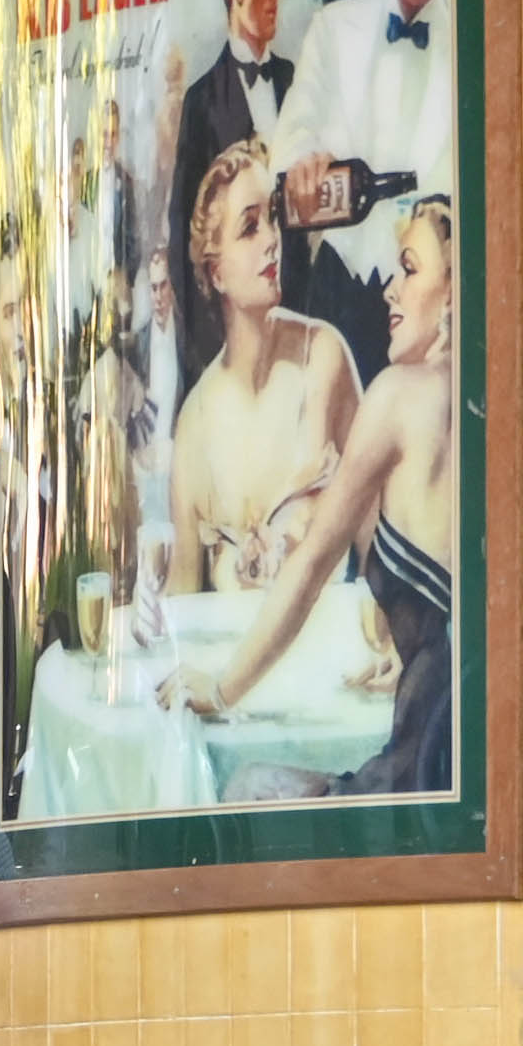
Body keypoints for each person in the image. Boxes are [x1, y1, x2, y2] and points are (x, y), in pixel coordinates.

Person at [184, 196, 461, 800]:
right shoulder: (469, 406)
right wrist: (411, 646)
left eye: (409, 270)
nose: (389, 290)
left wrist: (222, 688)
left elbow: (311, 564)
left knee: (246, 789)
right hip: (449, 756)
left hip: (423, 764)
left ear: (454, 294)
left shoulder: (398, 396)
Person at [276, 0, 456, 383]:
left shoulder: (471, 47)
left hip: (430, 313)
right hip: (340, 295)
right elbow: (291, 141)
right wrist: (304, 166)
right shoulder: (332, 29)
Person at [162, 139, 361, 628]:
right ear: (216, 273)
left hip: (329, 670)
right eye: (250, 227)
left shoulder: (324, 357)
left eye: (272, 218)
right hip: (230, 686)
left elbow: (380, 549)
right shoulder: (195, 424)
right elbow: (183, 602)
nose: (272, 239)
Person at [165, 0, 299, 378]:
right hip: (235, 350)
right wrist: (214, 355)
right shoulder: (201, 102)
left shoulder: (295, 84)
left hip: (299, 339)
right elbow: (185, 240)